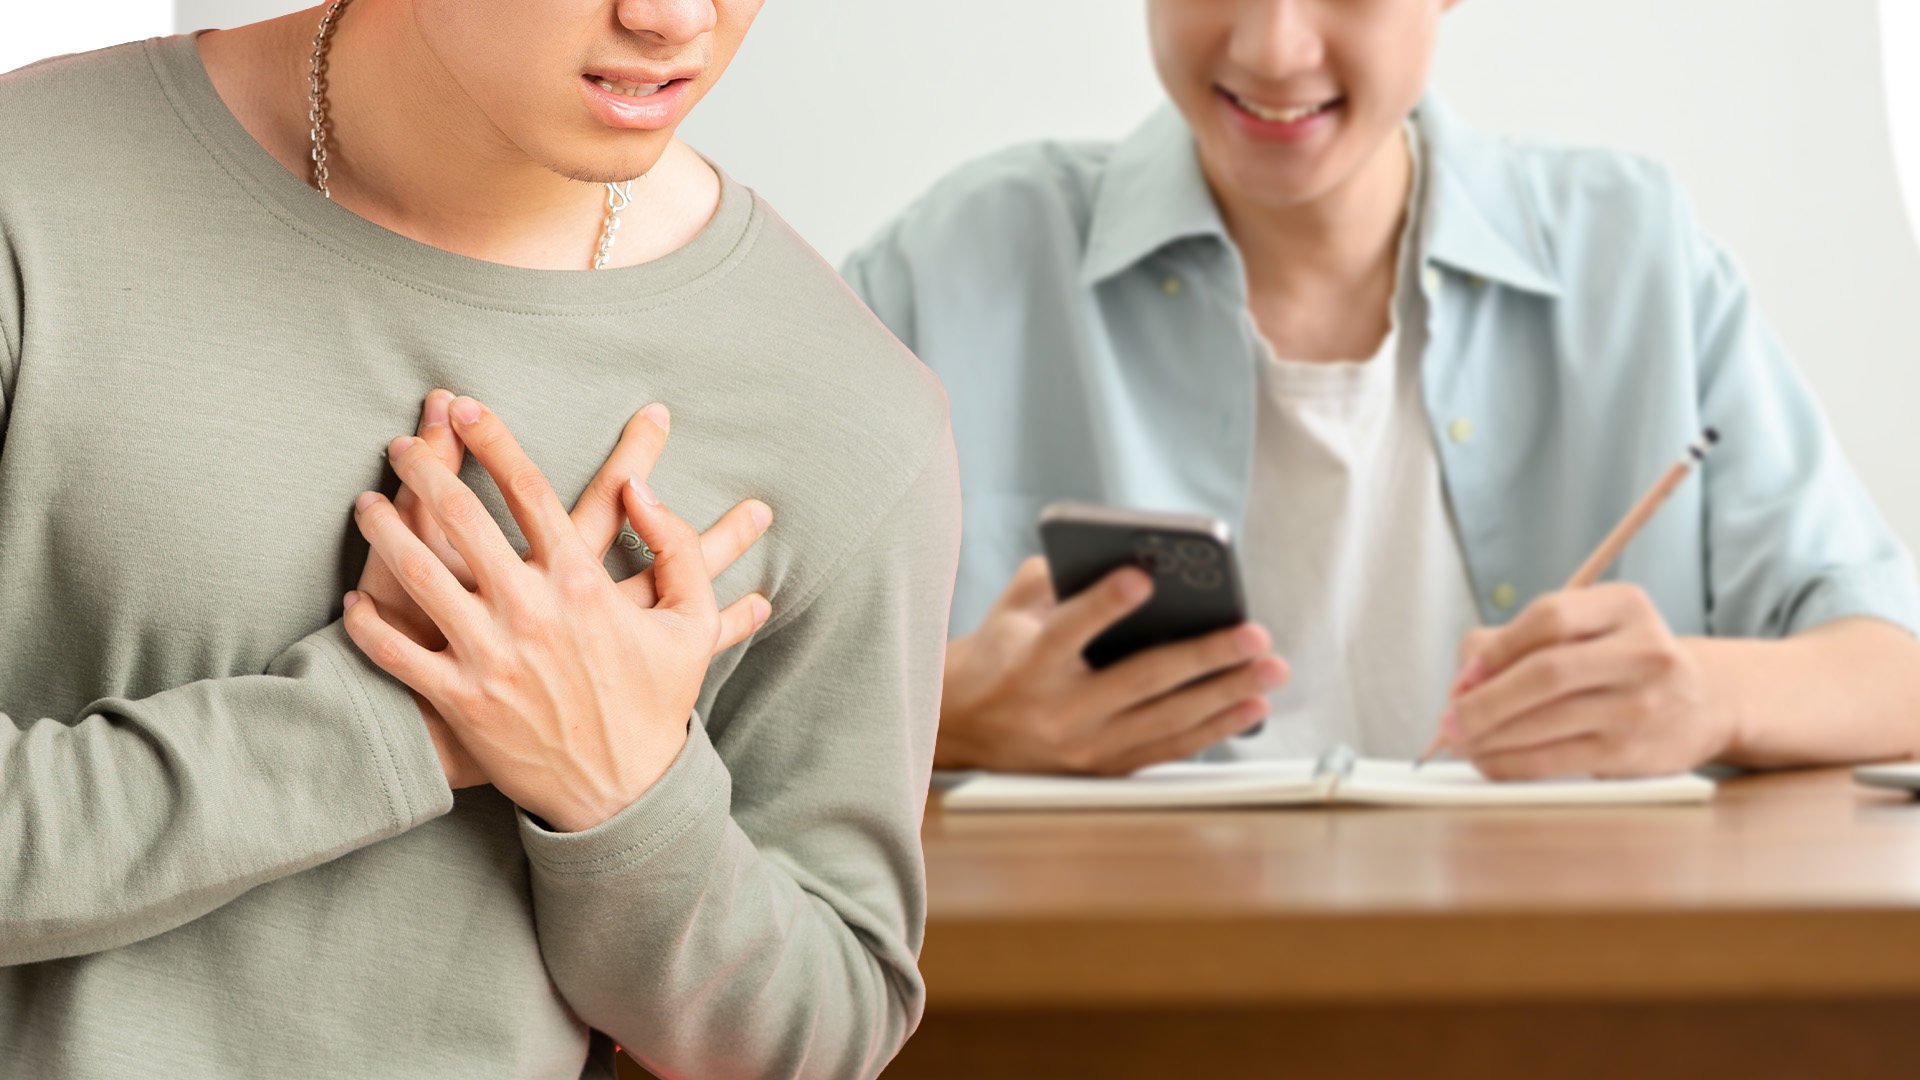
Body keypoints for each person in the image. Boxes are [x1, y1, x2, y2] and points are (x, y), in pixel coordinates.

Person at [0, 2, 959, 1078]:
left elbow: (820, 1035)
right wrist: (388, 727)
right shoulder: (31, 191)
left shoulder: (848, 412)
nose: (673, 18)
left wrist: (624, 794)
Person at [842, 0, 1920, 779]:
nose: (1273, 46)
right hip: (1124, 986)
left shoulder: (1634, 255)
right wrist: (948, 719)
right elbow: (700, 687)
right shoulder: (956, 265)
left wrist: (1710, 700)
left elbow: (1896, 665)